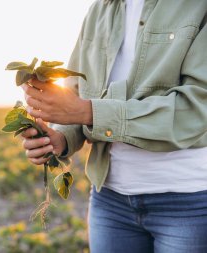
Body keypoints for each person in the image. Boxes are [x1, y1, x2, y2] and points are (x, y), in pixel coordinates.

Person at [19, 0, 207, 252]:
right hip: (110, 201)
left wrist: (86, 112)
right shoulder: (100, 9)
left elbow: (196, 107)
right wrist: (60, 138)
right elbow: (78, 93)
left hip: (189, 203)